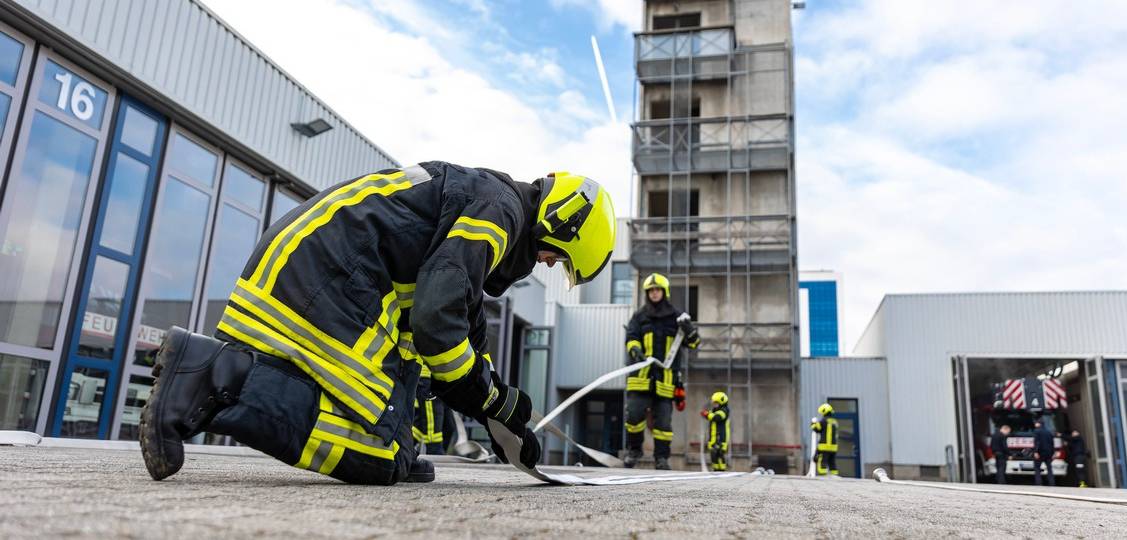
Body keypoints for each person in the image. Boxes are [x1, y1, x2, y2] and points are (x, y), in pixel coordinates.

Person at [139, 162, 616, 485]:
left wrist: (493, 406)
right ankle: (212, 375)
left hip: (317, 267)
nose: (550, 265)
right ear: (562, 221)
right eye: (559, 256)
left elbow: (461, 325)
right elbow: (436, 318)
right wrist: (482, 394)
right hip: (328, 275)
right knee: (379, 456)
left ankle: (216, 377)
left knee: (398, 450)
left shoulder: (491, 201)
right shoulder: (500, 212)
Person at [623, 273, 700, 470]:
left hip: (666, 380)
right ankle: (634, 450)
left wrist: (689, 329)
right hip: (640, 378)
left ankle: (662, 458)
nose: (654, 293)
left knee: (663, 424)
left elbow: (694, 344)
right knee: (633, 415)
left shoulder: (677, 317)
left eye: (657, 290)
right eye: (651, 290)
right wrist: (634, 348)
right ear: (647, 293)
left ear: (664, 292)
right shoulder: (639, 316)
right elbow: (631, 336)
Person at [412, 362, 448, 455]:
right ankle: (435, 453)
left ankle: (403, 448)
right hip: (428, 377)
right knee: (433, 430)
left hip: (441, 378)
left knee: (447, 426)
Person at [701, 391, 730, 471]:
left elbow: (716, 417)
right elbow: (711, 415)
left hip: (720, 438)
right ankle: (716, 470)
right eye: (714, 403)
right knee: (713, 455)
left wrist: (707, 414)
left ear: (722, 402)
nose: (715, 404)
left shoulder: (725, 411)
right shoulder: (714, 410)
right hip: (713, 438)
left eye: (716, 402)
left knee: (720, 454)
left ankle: (722, 471)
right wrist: (706, 414)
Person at [811, 403, 838, 476]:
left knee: (822, 463)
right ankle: (835, 477)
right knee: (832, 463)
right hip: (833, 448)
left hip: (824, 447)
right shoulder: (834, 422)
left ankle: (823, 479)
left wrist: (813, 423)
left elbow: (816, 429)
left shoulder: (823, 421)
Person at [1032, 418, 1056, 486]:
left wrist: (1036, 452)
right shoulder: (1049, 432)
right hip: (1048, 453)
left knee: (1037, 468)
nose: (1035, 424)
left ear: (1039, 424)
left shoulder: (1037, 431)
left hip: (1040, 452)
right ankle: (1052, 483)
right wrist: (1053, 452)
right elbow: (1052, 443)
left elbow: (1037, 442)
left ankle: (1039, 483)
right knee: (1049, 468)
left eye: (1036, 423)